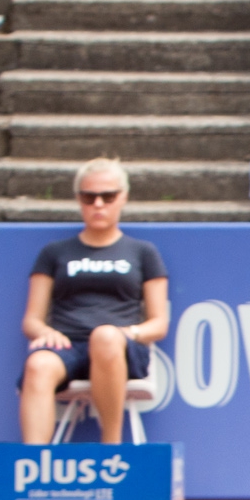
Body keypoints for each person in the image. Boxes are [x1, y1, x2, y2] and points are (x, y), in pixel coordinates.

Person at [18, 159, 170, 441]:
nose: (98, 204)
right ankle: (34, 466)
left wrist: (128, 333)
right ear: (79, 200)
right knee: (38, 363)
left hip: (120, 347)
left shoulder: (143, 252)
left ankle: (110, 446)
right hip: (68, 345)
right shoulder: (54, 252)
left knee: (105, 337)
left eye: (108, 196)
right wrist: (45, 332)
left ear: (122, 197)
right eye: (89, 197)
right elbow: (32, 319)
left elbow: (159, 323)